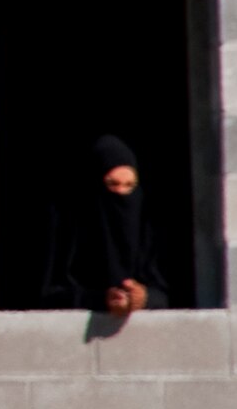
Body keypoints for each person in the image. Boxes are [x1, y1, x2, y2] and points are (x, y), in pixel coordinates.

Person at [41, 135, 170, 314]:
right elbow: (51, 295)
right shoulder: (67, 228)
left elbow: (166, 294)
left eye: (129, 186)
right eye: (112, 184)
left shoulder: (146, 231)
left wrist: (143, 298)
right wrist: (101, 300)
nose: (121, 194)